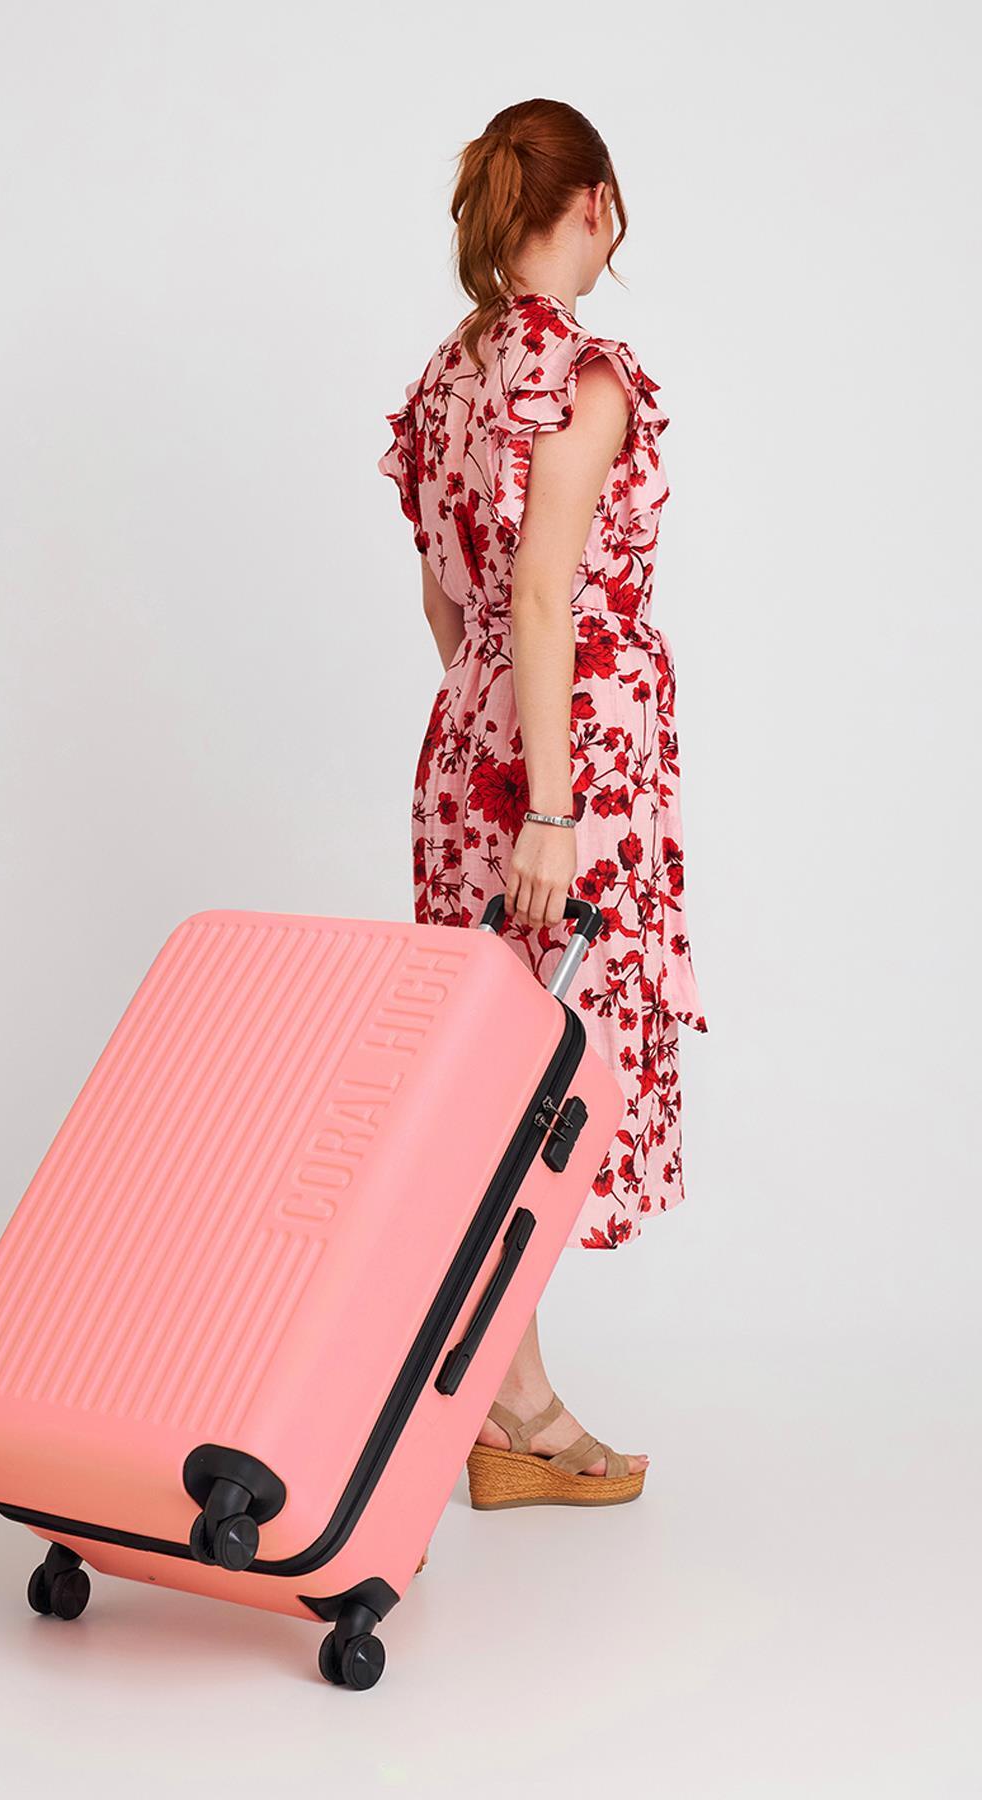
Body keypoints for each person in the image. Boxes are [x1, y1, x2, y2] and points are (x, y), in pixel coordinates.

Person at [378, 98, 707, 1516]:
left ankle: (512, 1403)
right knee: (547, 1086)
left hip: (472, 754)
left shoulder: (452, 376)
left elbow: (449, 604)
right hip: (564, 778)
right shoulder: (581, 377)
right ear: (598, 207)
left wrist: (489, 745)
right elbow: (537, 593)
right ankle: (503, 1404)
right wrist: (554, 808)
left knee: (492, 1084)